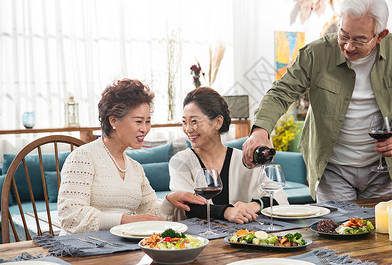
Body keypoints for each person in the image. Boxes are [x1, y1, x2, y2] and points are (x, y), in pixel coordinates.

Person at [242, 0, 392, 202]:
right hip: (332, 169)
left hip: (382, 169)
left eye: (359, 39)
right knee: (337, 230)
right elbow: (280, 93)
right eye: (343, 35)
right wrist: (260, 131)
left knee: (380, 231)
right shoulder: (317, 53)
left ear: (381, 35)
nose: (348, 46)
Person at [57, 78, 205, 235]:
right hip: (82, 247)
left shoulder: (135, 167)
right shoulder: (83, 157)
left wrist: (169, 201)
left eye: (148, 121)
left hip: (119, 247)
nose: (145, 129)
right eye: (139, 121)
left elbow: (151, 214)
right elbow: (70, 216)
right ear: (114, 120)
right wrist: (125, 220)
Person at [169, 87, 289, 223]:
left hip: (243, 237)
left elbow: (278, 197)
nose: (188, 129)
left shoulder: (243, 160)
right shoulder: (180, 161)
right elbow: (187, 206)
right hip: (198, 240)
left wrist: (252, 205)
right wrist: (227, 212)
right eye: (184, 122)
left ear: (218, 122)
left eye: (194, 121)